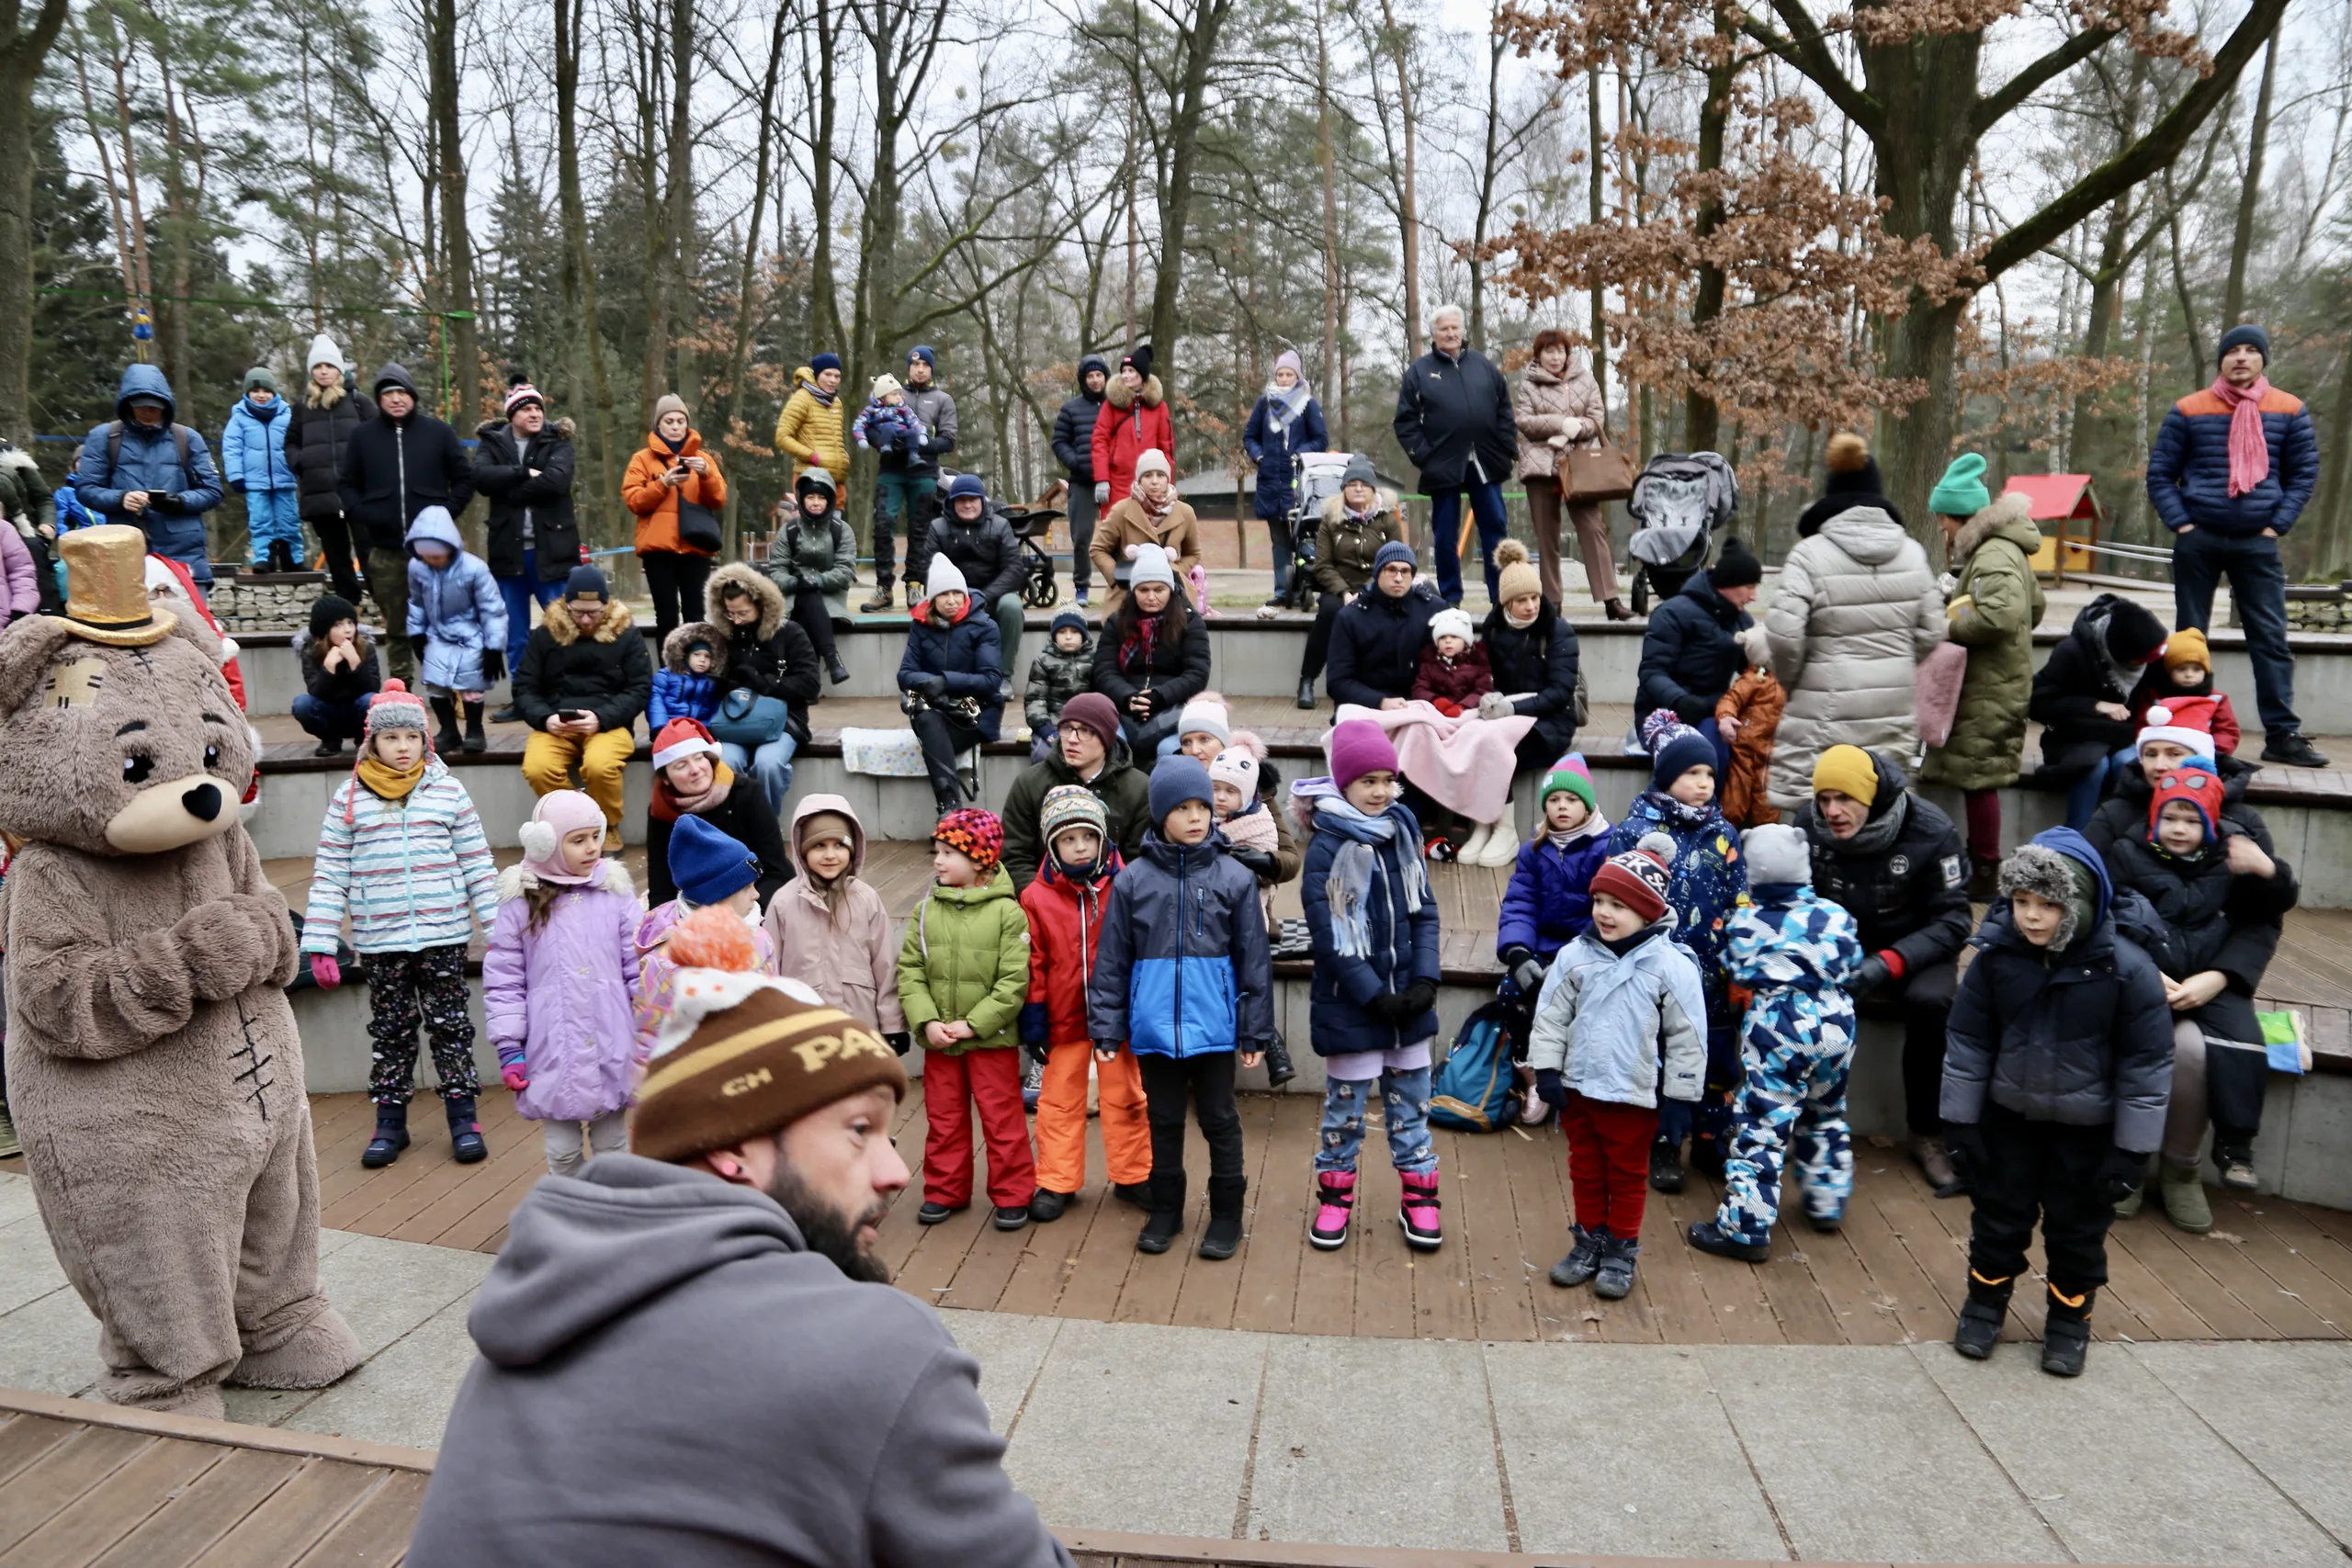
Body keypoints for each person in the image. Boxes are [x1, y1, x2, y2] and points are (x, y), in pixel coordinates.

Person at [404, 919, 1072, 1568]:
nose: (896, 1169)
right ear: (731, 1145)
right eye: (860, 1128)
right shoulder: (875, 1349)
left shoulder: (528, 1319)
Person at [1943, 829, 2171, 1377]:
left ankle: (2070, 1318)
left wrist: (2132, 1151)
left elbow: (2146, 1065)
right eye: (2021, 902)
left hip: (2086, 1130)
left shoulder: (2127, 969)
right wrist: (1959, 1121)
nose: (2032, 917)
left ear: (2082, 903)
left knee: (2077, 1231)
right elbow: (1969, 1043)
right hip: (2009, 1119)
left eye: (2049, 904)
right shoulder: (1996, 960)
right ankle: (1985, 1302)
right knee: (1998, 1219)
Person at [2086, 697, 2291, 1197]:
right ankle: (2120, 1157)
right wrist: (2136, 969)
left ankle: (2183, 1166)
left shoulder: (2239, 826)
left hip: (2210, 974)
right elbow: (2089, 898)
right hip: (2135, 968)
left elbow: (2262, 916)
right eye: (2150, 753)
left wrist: (2220, 976)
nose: (2160, 765)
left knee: (2199, 1050)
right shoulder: (2115, 818)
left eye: (2174, 753)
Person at [301, 680, 500, 1169]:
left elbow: (477, 864)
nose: (403, 748)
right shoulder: (350, 798)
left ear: (425, 740)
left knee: (450, 1027)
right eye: (392, 739)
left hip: (443, 935)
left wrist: (500, 933)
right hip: (381, 938)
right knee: (391, 1031)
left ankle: (463, 1116)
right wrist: (322, 941)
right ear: (372, 743)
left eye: (412, 737)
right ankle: (390, 1121)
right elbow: (330, 872)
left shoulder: (447, 791)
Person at [1089, 755, 1272, 1258]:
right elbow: (1112, 960)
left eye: (1203, 807)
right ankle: (1166, 1208)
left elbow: (1253, 959)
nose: (1196, 817)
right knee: (1163, 1119)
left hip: (1213, 1025)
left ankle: (1227, 1215)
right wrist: (1107, 1029)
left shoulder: (1234, 878)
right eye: (1183, 808)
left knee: (1218, 1119)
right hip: (1153, 1028)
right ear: (1160, 815)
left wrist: (1254, 1030)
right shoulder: (1132, 881)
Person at [1528, 834, 1706, 1301]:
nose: (1604, 913)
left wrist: (1681, 1096)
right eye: (1600, 901)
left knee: (1626, 1174)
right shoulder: (1575, 956)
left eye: (1619, 905)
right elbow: (1550, 1016)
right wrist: (1546, 1071)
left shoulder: (1670, 966)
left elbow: (1689, 1036)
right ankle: (1588, 1242)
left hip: (1633, 1091)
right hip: (1581, 1088)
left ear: (1648, 911)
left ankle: (1620, 1250)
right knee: (1585, 1169)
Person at [1793, 744, 1973, 1194]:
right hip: (1836, 941)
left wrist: (1890, 962)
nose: (1832, 811)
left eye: (1844, 799)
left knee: (1931, 1001)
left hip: (1914, 945)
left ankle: (1927, 1130)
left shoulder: (1931, 830)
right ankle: (1792, 1116)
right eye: (1824, 799)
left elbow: (1953, 920)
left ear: (1870, 797)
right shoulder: (1806, 826)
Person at [2147, 322, 2325, 767]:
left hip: (2257, 541)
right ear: (2222, 360)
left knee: (2270, 638)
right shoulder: (2189, 408)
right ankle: (2185, 727)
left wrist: (2277, 525)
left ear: (2263, 359)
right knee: (2190, 639)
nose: (2241, 357)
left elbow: (2303, 474)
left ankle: (2282, 734)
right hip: (2199, 538)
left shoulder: (2289, 408)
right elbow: (2160, 474)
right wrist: (2182, 525)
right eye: (2233, 351)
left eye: (2251, 350)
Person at [1295, 722, 1443, 1252]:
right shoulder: (1326, 847)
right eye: (1368, 781)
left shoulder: (1403, 831)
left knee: (1412, 1114)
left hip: (1410, 1007)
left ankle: (1419, 1199)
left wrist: (1425, 978)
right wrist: (1374, 996)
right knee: (1345, 1115)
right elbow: (1330, 937)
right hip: (1354, 1009)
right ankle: (1335, 1200)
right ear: (1344, 783)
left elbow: (1424, 910)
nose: (1381, 791)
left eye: (1388, 779)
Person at [1686, 824, 1864, 1261]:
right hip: (1837, 1025)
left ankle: (1745, 1228)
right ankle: (1826, 1199)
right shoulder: (1836, 915)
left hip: (1780, 1030)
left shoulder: (1747, 923)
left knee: (1762, 1128)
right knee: (1826, 1112)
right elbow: (1854, 960)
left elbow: (1739, 970)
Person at [1765, 433, 1944, 815]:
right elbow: (1932, 629)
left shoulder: (1808, 555)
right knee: (1882, 809)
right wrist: (1895, 663)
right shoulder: (1913, 554)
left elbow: (1783, 635)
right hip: (1893, 707)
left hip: (1822, 708)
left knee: (1819, 819)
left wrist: (1795, 679)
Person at [1610, 723, 1747, 1190]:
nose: (1704, 782)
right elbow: (1614, 899)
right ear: (1666, 776)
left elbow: (1738, 901)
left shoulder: (1724, 833)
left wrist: (1739, 965)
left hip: (1713, 971)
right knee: (1665, 1056)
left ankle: (1710, 1137)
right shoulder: (1635, 831)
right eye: (1692, 771)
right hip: (1655, 971)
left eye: (1709, 772)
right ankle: (1665, 1143)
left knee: (1715, 1059)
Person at [483, 790, 643, 1177]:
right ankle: (573, 1208)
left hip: (611, 1040)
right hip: (550, 1047)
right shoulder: (520, 901)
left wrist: (650, 1030)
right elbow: (504, 980)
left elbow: (637, 966)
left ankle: (615, 1211)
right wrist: (509, 1046)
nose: (592, 848)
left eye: (595, 836)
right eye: (577, 840)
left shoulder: (615, 892)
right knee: (563, 1150)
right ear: (546, 845)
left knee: (612, 1146)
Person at [900, 807, 1038, 1230]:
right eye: (936, 852)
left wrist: (975, 1024)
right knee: (943, 1119)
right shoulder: (926, 912)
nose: (938, 860)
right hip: (941, 1040)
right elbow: (911, 970)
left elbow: (1014, 980)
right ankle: (944, 1190)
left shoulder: (1007, 913)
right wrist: (926, 1021)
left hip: (990, 1039)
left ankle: (1013, 1193)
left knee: (1002, 1119)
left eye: (949, 852)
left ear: (981, 860)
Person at [1020, 786, 1152, 1222]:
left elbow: (1139, 950)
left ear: (1102, 839)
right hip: (1064, 1016)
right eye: (1067, 839)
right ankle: (1057, 1180)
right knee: (1058, 1101)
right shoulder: (1036, 897)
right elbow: (1034, 961)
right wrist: (1035, 1016)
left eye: (1087, 837)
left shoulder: (1126, 884)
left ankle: (1133, 1176)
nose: (1079, 847)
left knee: (1126, 1096)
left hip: (1116, 1018)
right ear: (1052, 846)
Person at [1918, 455, 2044, 895]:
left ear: (1961, 516)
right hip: (1996, 680)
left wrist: (1948, 626)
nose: (1941, 528)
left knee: (1980, 778)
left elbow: (2002, 616)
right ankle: (1980, 868)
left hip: (1990, 686)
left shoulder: (1992, 554)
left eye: (1943, 519)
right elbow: (2036, 608)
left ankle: (1985, 873)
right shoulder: (2005, 550)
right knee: (1978, 776)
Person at [335, 364, 474, 682]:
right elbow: (346, 485)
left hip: (435, 551)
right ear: (379, 400)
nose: (396, 399)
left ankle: (453, 687)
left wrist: (445, 515)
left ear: (412, 396)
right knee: (397, 627)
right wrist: (364, 514)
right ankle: (402, 690)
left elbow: (464, 479)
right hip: (385, 551)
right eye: (388, 394)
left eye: (402, 392)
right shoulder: (362, 436)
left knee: (446, 622)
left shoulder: (439, 433)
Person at [514, 565, 652, 847]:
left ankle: (606, 826)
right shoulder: (545, 635)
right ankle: (578, 823)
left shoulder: (627, 635)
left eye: (594, 612)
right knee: (538, 768)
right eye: (578, 612)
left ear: (607, 605)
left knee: (600, 767)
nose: (586, 620)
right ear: (566, 605)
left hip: (607, 723)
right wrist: (544, 719)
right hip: (555, 724)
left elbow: (640, 688)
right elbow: (525, 687)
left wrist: (602, 718)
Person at [1391, 303, 1515, 605]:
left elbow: (1505, 410)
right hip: (1442, 463)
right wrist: (1424, 456)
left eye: (1454, 328)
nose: (1450, 333)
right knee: (1445, 534)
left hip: (1485, 461)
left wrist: (1507, 446)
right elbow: (1405, 422)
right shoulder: (1419, 371)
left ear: (1462, 331)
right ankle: (1450, 599)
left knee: (1495, 528)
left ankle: (1501, 597)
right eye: (1444, 329)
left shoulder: (1484, 366)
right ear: (1434, 334)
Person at [634, 814, 777, 1066]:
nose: (757, 895)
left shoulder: (760, 939)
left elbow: (774, 1010)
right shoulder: (663, 963)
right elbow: (649, 1039)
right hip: (691, 1080)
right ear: (718, 897)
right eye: (747, 888)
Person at [765, 795, 907, 1047]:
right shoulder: (784, 902)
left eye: (839, 845)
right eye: (819, 846)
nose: (830, 855)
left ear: (852, 850)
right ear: (802, 851)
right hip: (803, 1029)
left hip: (860, 1028)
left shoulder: (866, 899)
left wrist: (892, 1024)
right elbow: (769, 968)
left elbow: (885, 965)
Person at [473, 377, 580, 706]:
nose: (535, 414)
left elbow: (557, 481)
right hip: (509, 552)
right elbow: (480, 478)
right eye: (527, 409)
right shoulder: (492, 442)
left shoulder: (558, 439)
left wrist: (511, 488)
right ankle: (522, 698)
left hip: (554, 551)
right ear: (512, 415)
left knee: (562, 628)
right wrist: (522, 473)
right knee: (514, 634)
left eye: (538, 408)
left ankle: (565, 694)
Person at [72, 363, 225, 588]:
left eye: (155, 407)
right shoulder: (104, 437)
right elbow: (85, 488)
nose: (148, 412)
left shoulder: (187, 438)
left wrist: (179, 501)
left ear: (166, 406)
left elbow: (212, 491)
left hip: (183, 554)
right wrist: (120, 498)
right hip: (125, 550)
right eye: (141, 406)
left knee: (192, 622)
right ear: (127, 405)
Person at [2028, 592, 2170, 829]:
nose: (2147, 665)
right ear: (2122, 653)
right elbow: (2037, 703)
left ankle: (2123, 835)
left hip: (2123, 737)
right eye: (2141, 661)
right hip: (2073, 737)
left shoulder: (2150, 655)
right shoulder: (2072, 652)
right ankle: (2076, 837)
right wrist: (2094, 705)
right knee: (2094, 765)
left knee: (2128, 763)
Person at [1511, 327, 1619, 614]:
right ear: (1539, 355)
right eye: (1549, 351)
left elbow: (1596, 417)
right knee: (1547, 537)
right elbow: (1524, 421)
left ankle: (1611, 599)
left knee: (1593, 529)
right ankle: (1552, 602)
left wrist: (1576, 429)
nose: (1555, 357)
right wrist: (1561, 424)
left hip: (1580, 466)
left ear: (1567, 353)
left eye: (1560, 351)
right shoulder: (1529, 384)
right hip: (1541, 467)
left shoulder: (1585, 379)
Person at [1634, 538, 1760, 781]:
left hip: (1713, 712)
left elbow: (1753, 673)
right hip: (1664, 713)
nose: (1755, 596)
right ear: (1730, 584)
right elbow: (1652, 672)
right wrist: (1680, 700)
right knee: (1696, 756)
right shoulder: (1672, 613)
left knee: (1730, 749)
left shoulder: (1742, 622)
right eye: (1750, 586)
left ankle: (1718, 815)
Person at [1000, 689, 1151, 890]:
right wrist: (1044, 901)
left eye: (1086, 731)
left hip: (1113, 906)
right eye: (1066, 727)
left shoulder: (1139, 788)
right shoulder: (1030, 783)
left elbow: (1139, 863)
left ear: (1106, 738)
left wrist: (1106, 903)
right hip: (1045, 904)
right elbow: (1015, 857)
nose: (1072, 738)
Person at [644, 716, 794, 908]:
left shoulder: (746, 793)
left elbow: (776, 870)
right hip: (696, 910)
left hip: (755, 901)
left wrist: (743, 914)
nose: (695, 770)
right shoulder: (661, 811)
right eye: (681, 765)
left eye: (699, 758)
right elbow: (661, 886)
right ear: (665, 778)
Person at [707, 563, 820, 815]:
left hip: (784, 721)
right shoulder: (724, 637)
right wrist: (723, 682)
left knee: (768, 765)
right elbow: (711, 684)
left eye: (743, 613)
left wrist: (765, 682)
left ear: (762, 604)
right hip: (735, 721)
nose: (736, 620)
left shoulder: (790, 633)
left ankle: (763, 834)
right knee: (726, 762)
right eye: (730, 613)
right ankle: (736, 835)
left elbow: (810, 685)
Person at [899, 558, 1005, 818]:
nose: (952, 600)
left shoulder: (985, 626)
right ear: (932, 599)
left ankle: (949, 808)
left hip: (976, 714)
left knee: (931, 734)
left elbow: (992, 680)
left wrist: (945, 681)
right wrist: (929, 683)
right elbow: (905, 674)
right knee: (928, 722)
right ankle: (951, 807)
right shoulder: (920, 626)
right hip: (937, 712)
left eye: (957, 592)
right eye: (944, 594)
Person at [1297, 457, 1406, 708]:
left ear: (1372, 490)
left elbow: (1397, 559)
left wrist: (1370, 590)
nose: (1358, 489)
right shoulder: (1330, 519)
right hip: (1339, 587)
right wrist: (1345, 592)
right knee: (1329, 611)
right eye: (1352, 484)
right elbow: (1322, 565)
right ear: (1344, 488)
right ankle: (1307, 680)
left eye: (1364, 485)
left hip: (1379, 587)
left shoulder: (1387, 519)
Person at [1497, 756, 1611, 993]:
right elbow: (1521, 903)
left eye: (1572, 799)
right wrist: (1518, 951)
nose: (1562, 805)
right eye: (1553, 799)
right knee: (1512, 992)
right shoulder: (1533, 850)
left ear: (1588, 805)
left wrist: (1572, 958)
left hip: (1590, 948)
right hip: (1542, 944)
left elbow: (1609, 911)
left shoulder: (1607, 848)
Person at [1089, 545, 1212, 757]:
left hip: (1174, 703)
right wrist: (1128, 698)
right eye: (1143, 590)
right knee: (1111, 744)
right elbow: (1104, 671)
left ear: (1170, 589)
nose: (1151, 597)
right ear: (1133, 590)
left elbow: (1197, 674)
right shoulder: (1117, 622)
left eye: (1159, 590)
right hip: (1123, 703)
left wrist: (1159, 697)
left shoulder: (1190, 622)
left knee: (1169, 750)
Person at [404, 504, 507, 754]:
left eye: (437, 556)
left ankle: (475, 730)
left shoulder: (474, 568)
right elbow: (416, 602)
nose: (432, 561)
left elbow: (492, 608)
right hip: (437, 634)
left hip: (470, 634)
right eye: (426, 556)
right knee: (436, 684)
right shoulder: (417, 568)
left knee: (472, 684)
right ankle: (448, 731)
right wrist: (416, 632)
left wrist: (494, 646)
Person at [625, 394, 728, 643]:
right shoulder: (642, 459)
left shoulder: (704, 459)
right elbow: (634, 501)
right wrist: (663, 483)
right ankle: (668, 677)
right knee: (667, 617)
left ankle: (697, 674)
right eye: (669, 421)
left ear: (687, 424)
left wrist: (706, 477)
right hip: (658, 551)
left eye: (680, 421)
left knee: (696, 616)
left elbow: (719, 500)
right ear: (658, 424)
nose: (675, 426)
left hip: (696, 548)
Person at [282, 334, 374, 603]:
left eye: (329, 366)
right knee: (336, 557)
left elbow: (379, 436)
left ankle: (385, 607)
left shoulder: (358, 401)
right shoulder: (302, 406)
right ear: (311, 371)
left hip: (359, 492)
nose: (324, 371)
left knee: (370, 552)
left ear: (339, 369)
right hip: (320, 493)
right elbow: (290, 443)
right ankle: (349, 611)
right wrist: (301, 463)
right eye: (318, 366)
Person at [1242, 350, 1329, 604]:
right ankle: (1282, 592)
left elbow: (1320, 439)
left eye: (1289, 374)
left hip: (1299, 482)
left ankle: (1306, 585)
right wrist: (1260, 456)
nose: (1283, 378)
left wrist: (1300, 455)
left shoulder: (1308, 404)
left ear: (1297, 376)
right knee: (1279, 541)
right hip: (1271, 482)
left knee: (1305, 537)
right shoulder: (1264, 403)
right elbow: (1249, 437)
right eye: (1280, 374)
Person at [920, 472, 1028, 672]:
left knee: (1012, 607)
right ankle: (940, 673)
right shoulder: (937, 527)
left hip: (994, 594)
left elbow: (1014, 569)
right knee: (922, 609)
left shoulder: (1000, 525)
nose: (967, 505)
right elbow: (929, 569)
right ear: (952, 502)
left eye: (972, 499)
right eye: (961, 499)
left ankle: (1002, 675)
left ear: (982, 500)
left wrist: (983, 597)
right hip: (952, 595)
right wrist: (957, 597)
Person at [763, 470, 858, 686]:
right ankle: (832, 659)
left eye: (821, 497)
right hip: (792, 596)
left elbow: (845, 570)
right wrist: (795, 583)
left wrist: (817, 582)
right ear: (802, 499)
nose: (816, 503)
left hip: (830, 598)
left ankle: (808, 681)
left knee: (811, 598)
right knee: (807, 599)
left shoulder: (842, 530)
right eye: (810, 497)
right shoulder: (789, 531)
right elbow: (776, 570)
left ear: (830, 500)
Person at [1328, 540, 1445, 711]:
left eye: (1405, 571)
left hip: (1420, 704)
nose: (1398, 578)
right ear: (1377, 573)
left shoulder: (1434, 610)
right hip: (1367, 707)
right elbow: (1338, 682)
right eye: (1391, 569)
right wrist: (1380, 701)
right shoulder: (1351, 617)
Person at [1091, 449, 1203, 615]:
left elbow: (1193, 553)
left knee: (1179, 633)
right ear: (1139, 479)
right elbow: (1098, 549)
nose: (1155, 481)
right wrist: (1117, 578)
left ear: (1168, 479)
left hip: (1172, 594)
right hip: (1128, 593)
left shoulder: (1185, 512)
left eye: (1160, 475)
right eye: (1148, 475)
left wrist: (1174, 571)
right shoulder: (1121, 510)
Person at [221, 368, 303, 571]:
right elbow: (232, 449)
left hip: (284, 478)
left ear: (274, 392)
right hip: (254, 481)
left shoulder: (287, 415)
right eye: (255, 390)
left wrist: (299, 467)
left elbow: (296, 443)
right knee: (260, 521)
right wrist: (236, 475)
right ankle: (264, 558)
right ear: (247, 393)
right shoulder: (239, 419)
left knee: (290, 519)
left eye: (266, 390)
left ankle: (293, 559)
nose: (261, 395)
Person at [1051, 354, 1110, 608]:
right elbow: (1059, 441)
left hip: (1114, 481)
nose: (1096, 380)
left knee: (1120, 536)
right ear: (1083, 380)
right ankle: (1082, 587)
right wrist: (1076, 462)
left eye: (1099, 375)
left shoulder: (1117, 405)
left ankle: (1120, 585)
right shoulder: (1071, 409)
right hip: (1082, 482)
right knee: (1082, 537)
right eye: (1090, 376)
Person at [1713, 625, 1784, 829]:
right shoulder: (1754, 678)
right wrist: (1726, 718)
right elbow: (1731, 699)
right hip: (1744, 748)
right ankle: (1726, 834)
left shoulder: (1789, 680)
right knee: (1736, 795)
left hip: (1772, 752)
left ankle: (1766, 834)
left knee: (1767, 800)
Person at [2127, 626, 2240, 755]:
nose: (2189, 675)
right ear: (2169, 671)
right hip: (2161, 753)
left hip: (2203, 754)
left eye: (2196, 669)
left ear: (2206, 671)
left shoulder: (2216, 698)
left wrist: (2216, 751)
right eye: (2181, 669)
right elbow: (2142, 725)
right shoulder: (2155, 697)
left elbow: (2226, 730)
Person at [294, 592, 382, 755]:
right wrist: (328, 668)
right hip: (329, 711)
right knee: (302, 704)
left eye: (350, 623)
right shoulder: (310, 651)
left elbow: (374, 689)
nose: (348, 630)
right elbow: (316, 693)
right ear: (324, 631)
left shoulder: (366, 647)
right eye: (338, 625)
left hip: (358, 712)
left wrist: (355, 663)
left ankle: (363, 739)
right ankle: (330, 740)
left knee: (371, 700)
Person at [1090, 344, 1172, 511]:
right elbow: (1099, 442)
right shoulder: (1111, 405)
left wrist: (1167, 480)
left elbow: (1166, 446)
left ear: (1142, 375)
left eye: (1131, 371)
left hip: (1150, 481)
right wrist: (1102, 479)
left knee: (1148, 532)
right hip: (1117, 482)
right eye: (1124, 371)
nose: (1125, 376)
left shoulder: (1158, 407)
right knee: (1116, 532)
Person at [773, 353, 851, 491]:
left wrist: (843, 458)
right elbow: (782, 437)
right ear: (817, 374)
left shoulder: (837, 402)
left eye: (837, 376)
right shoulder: (801, 398)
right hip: (810, 478)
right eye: (827, 374)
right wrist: (812, 456)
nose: (833, 380)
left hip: (837, 480)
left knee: (837, 514)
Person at [1024, 609, 1094, 761]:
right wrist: (1045, 729)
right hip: (1055, 723)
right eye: (1062, 632)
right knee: (1042, 755)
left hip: (1088, 723)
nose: (1068, 637)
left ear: (1084, 634)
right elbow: (1035, 699)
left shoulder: (1094, 660)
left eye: (1075, 631)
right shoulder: (1043, 662)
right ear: (1054, 635)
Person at [649, 622, 723, 729]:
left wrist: (707, 728)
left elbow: (716, 709)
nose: (702, 660)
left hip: (699, 730)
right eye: (696, 654)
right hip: (669, 727)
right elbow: (656, 700)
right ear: (686, 656)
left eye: (708, 656)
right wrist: (660, 727)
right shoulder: (666, 675)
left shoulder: (713, 682)